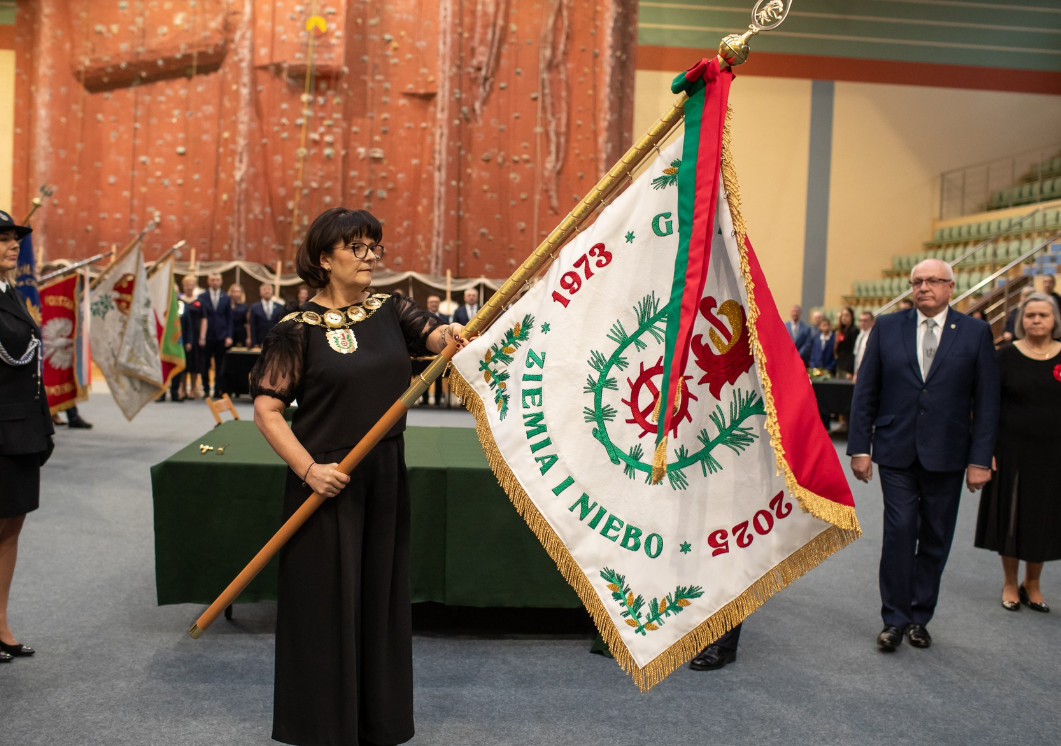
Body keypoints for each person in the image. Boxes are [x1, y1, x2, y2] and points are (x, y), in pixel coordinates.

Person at [249, 207, 464, 745]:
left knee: (379, 599)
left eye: (376, 247)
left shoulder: (391, 309)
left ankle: (377, 723)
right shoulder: (293, 330)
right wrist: (309, 470)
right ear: (325, 259)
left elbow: (435, 336)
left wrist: (453, 333)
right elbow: (267, 411)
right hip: (325, 480)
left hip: (385, 473)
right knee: (324, 605)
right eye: (358, 248)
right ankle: (322, 727)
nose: (371, 257)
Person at [849, 258, 999, 653]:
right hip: (895, 450)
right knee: (899, 532)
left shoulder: (975, 332)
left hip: (949, 453)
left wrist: (980, 459)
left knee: (935, 536)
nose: (924, 287)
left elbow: (987, 403)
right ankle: (894, 620)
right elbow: (866, 391)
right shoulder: (887, 327)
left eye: (933, 281)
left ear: (951, 287)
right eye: (917, 281)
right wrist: (861, 448)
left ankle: (919, 617)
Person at [974, 292, 1061, 613]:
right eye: (1030, 315)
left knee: (1043, 517)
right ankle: (1010, 582)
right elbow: (987, 405)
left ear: (1054, 321)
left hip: (1053, 454)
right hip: (1010, 450)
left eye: (1043, 315)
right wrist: (985, 449)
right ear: (1022, 321)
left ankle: (1033, 583)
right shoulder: (1006, 356)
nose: (1036, 320)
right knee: (1010, 516)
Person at [0, 211, 51, 663]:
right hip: (1, 430)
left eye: (14, 238)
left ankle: (0, 623)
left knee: (11, 527)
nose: (13, 245)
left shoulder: (11, 292)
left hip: (21, 430)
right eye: (3, 239)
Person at [198, 272, 233, 398]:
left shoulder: (226, 297)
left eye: (217, 280)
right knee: (205, 364)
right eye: (212, 280)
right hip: (206, 336)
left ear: (221, 281)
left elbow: (229, 318)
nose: (215, 282)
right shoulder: (202, 297)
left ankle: (218, 389)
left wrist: (229, 336)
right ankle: (206, 389)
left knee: (220, 365)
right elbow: (200, 318)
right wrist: (200, 336)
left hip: (221, 336)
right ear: (208, 281)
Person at [249, 282, 286, 347]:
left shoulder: (280, 307)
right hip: (259, 342)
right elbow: (252, 326)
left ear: (272, 292)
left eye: (269, 289)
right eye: (264, 289)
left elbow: (281, 326)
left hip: (276, 342)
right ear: (260, 293)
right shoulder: (254, 308)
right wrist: (254, 343)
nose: (267, 291)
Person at [833, 306, 858, 378]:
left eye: (847, 315)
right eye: (842, 316)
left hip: (848, 367)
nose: (844, 318)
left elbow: (853, 352)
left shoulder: (854, 330)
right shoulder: (841, 331)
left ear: (852, 317)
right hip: (840, 364)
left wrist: (850, 370)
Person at [852, 310, 874, 381]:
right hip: (858, 370)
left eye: (865, 320)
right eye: (860, 320)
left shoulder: (873, 336)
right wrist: (856, 372)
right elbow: (857, 355)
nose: (862, 323)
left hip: (868, 371)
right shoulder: (860, 335)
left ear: (872, 322)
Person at [228, 283, 249, 348]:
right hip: (228, 334)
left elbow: (247, 323)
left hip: (241, 334)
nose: (236, 294)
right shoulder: (226, 305)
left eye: (238, 292)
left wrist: (249, 337)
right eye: (234, 291)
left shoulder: (245, 307)